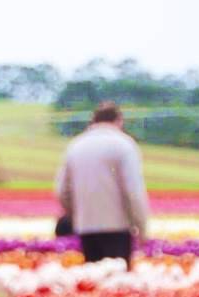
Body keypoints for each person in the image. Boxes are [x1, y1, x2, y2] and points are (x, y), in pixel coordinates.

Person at [54, 102, 150, 268]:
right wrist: (141, 227)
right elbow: (133, 190)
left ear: (93, 121)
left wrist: (76, 214)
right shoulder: (124, 145)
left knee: (93, 279)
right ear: (119, 120)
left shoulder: (76, 145)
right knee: (116, 283)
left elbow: (62, 190)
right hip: (117, 226)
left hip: (86, 226)